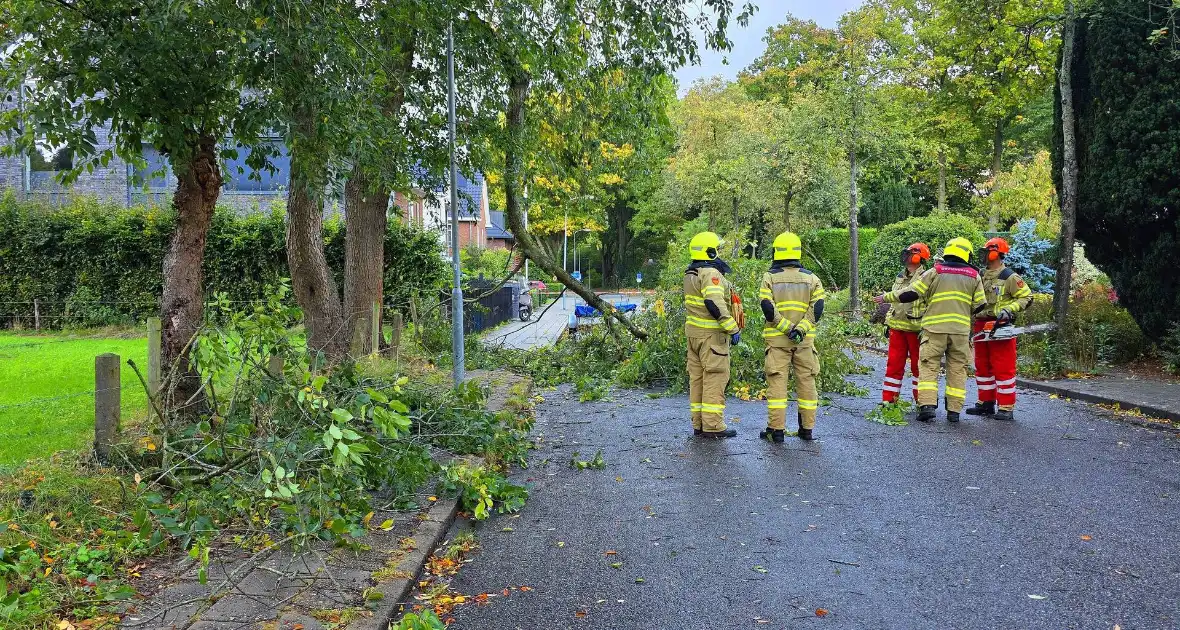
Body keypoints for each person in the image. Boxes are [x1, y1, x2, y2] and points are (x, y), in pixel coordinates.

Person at [874, 237, 985, 423]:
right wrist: (963, 311)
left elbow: (911, 293)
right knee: (957, 369)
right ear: (966, 253)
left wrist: (886, 297)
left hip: (934, 330)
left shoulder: (935, 272)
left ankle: (927, 407)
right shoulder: (974, 275)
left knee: (928, 366)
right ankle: (954, 412)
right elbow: (981, 305)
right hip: (960, 331)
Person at [758, 232, 826, 443]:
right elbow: (818, 308)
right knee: (807, 383)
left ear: (777, 251)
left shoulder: (770, 277)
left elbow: (767, 308)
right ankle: (807, 429)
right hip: (804, 342)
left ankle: (776, 431)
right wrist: (800, 330)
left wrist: (787, 328)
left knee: (777, 384)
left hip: (778, 342)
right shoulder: (812, 278)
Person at [965, 237, 1035, 421]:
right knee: (982, 365)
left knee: (1003, 366)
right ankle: (986, 403)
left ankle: (1006, 406)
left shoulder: (1009, 277)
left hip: (1000, 325)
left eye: (987, 251)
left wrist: (1009, 309)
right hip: (981, 324)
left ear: (996, 253)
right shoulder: (980, 275)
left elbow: (1026, 297)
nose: (984, 255)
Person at [683, 231, 740, 438]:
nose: (720, 251)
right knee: (715, 377)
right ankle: (713, 426)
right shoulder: (711, 274)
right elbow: (713, 303)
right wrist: (732, 328)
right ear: (710, 250)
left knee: (697, 379)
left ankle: (699, 424)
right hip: (711, 337)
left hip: (694, 335)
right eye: (717, 247)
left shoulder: (691, 273)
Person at [881, 243, 930, 405]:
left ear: (918, 257)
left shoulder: (926, 277)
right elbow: (895, 303)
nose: (906, 257)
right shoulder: (900, 276)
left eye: (909, 254)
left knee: (918, 367)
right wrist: (888, 322)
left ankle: (921, 402)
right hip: (897, 327)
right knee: (893, 366)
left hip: (916, 329)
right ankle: (889, 401)